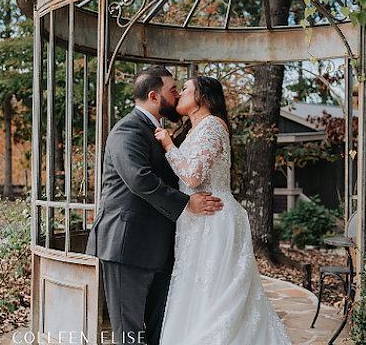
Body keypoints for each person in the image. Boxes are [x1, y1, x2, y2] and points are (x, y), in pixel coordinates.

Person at [85, 67, 223, 345]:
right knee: (130, 332)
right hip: (128, 246)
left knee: (162, 328)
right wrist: (187, 205)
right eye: (173, 91)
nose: (178, 95)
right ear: (153, 95)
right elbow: (140, 179)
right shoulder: (128, 129)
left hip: (161, 247)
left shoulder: (160, 131)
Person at [154, 75, 292, 345]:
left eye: (185, 89)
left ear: (202, 96)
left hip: (214, 220)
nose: (179, 94)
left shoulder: (212, 126)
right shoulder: (195, 129)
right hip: (195, 223)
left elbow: (193, 177)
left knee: (217, 295)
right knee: (197, 291)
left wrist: (168, 144)